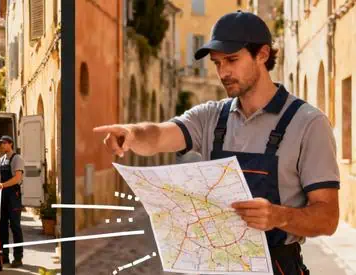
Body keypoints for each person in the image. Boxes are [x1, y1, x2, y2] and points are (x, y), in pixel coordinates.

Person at [93, 11, 338, 275]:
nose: (223, 72)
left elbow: (328, 218)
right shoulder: (210, 117)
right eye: (217, 63)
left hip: (278, 267)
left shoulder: (308, 123)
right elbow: (159, 135)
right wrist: (132, 133)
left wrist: (279, 216)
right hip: (216, 266)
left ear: (263, 55)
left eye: (232, 60)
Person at [0, 135, 24, 268]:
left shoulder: (17, 159)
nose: (1, 146)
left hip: (13, 195)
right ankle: (4, 255)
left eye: (4, 143)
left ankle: (18, 257)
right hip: (2, 196)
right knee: (1, 226)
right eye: (0, 143)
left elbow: (17, 178)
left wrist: (3, 185)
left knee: (15, 226)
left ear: (10, 144)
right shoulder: (1, 160)